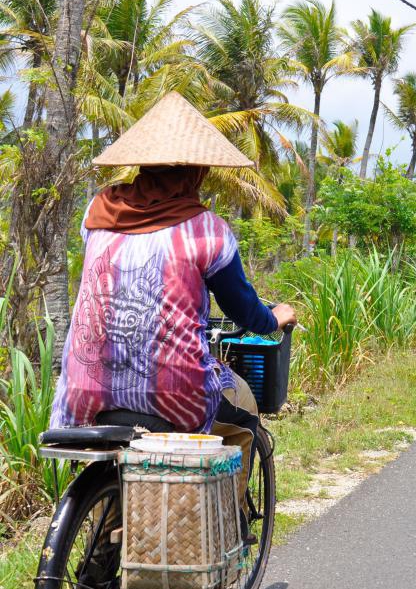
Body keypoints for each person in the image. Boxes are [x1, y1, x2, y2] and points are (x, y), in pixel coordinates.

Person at [48, 93, 296, 537]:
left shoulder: (96, 213)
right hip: (173, 395)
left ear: (142, 164)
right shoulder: (208, 231)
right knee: (245, 417)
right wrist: (275, 318)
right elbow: (243, 308)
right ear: (197, 171)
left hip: (84, 389)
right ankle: (222, 535)